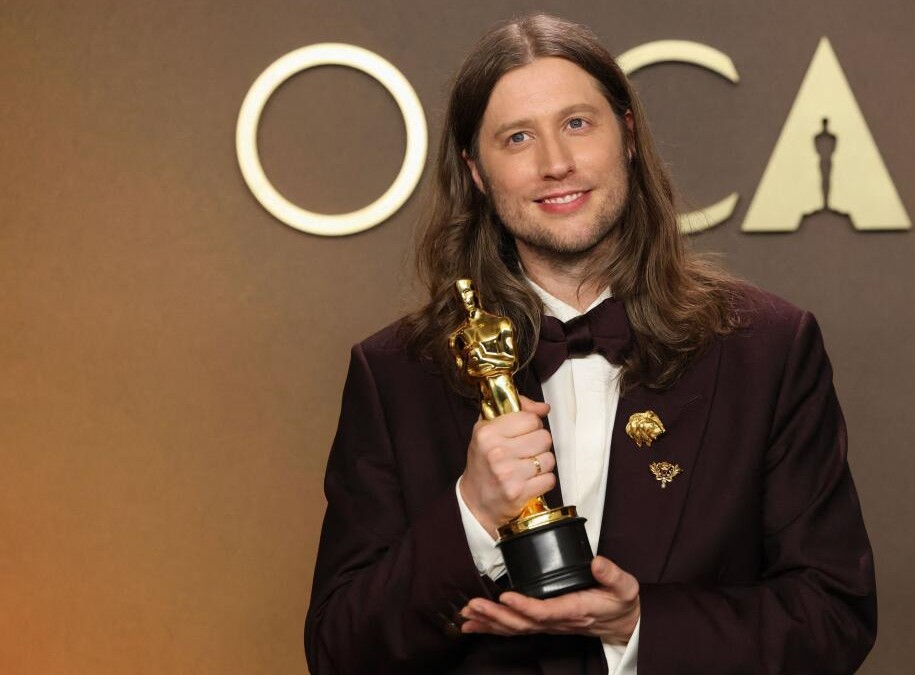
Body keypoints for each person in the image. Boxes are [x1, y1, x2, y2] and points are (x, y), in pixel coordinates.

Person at [304, 13, 876, 675]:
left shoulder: (768, 349)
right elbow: (339, 652)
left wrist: (639, 625)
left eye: (578, 123)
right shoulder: (394, 373)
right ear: (478, 172)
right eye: (517, 137)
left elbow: (833, 615)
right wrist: (470, 513)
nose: (556, 163)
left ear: (627, 135)